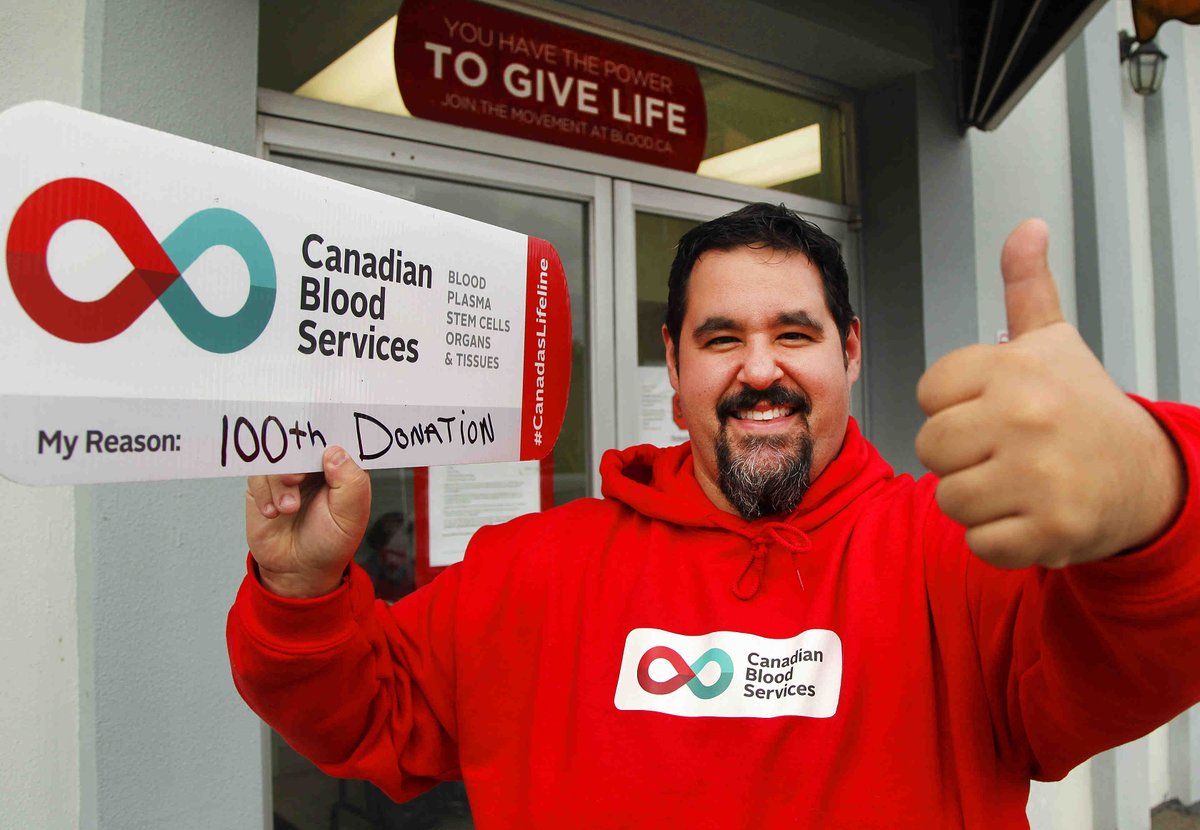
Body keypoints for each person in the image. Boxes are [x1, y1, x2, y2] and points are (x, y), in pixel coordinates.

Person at [229, 203, 1200, 829]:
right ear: (675, 362)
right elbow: (370, 713)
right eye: (722, 336)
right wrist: (302, 588)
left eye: (796, 332)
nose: (761, 368)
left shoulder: (963, 554)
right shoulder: (531, 566)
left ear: (851, 350)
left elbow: (1148, 642)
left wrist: (1156, 491)